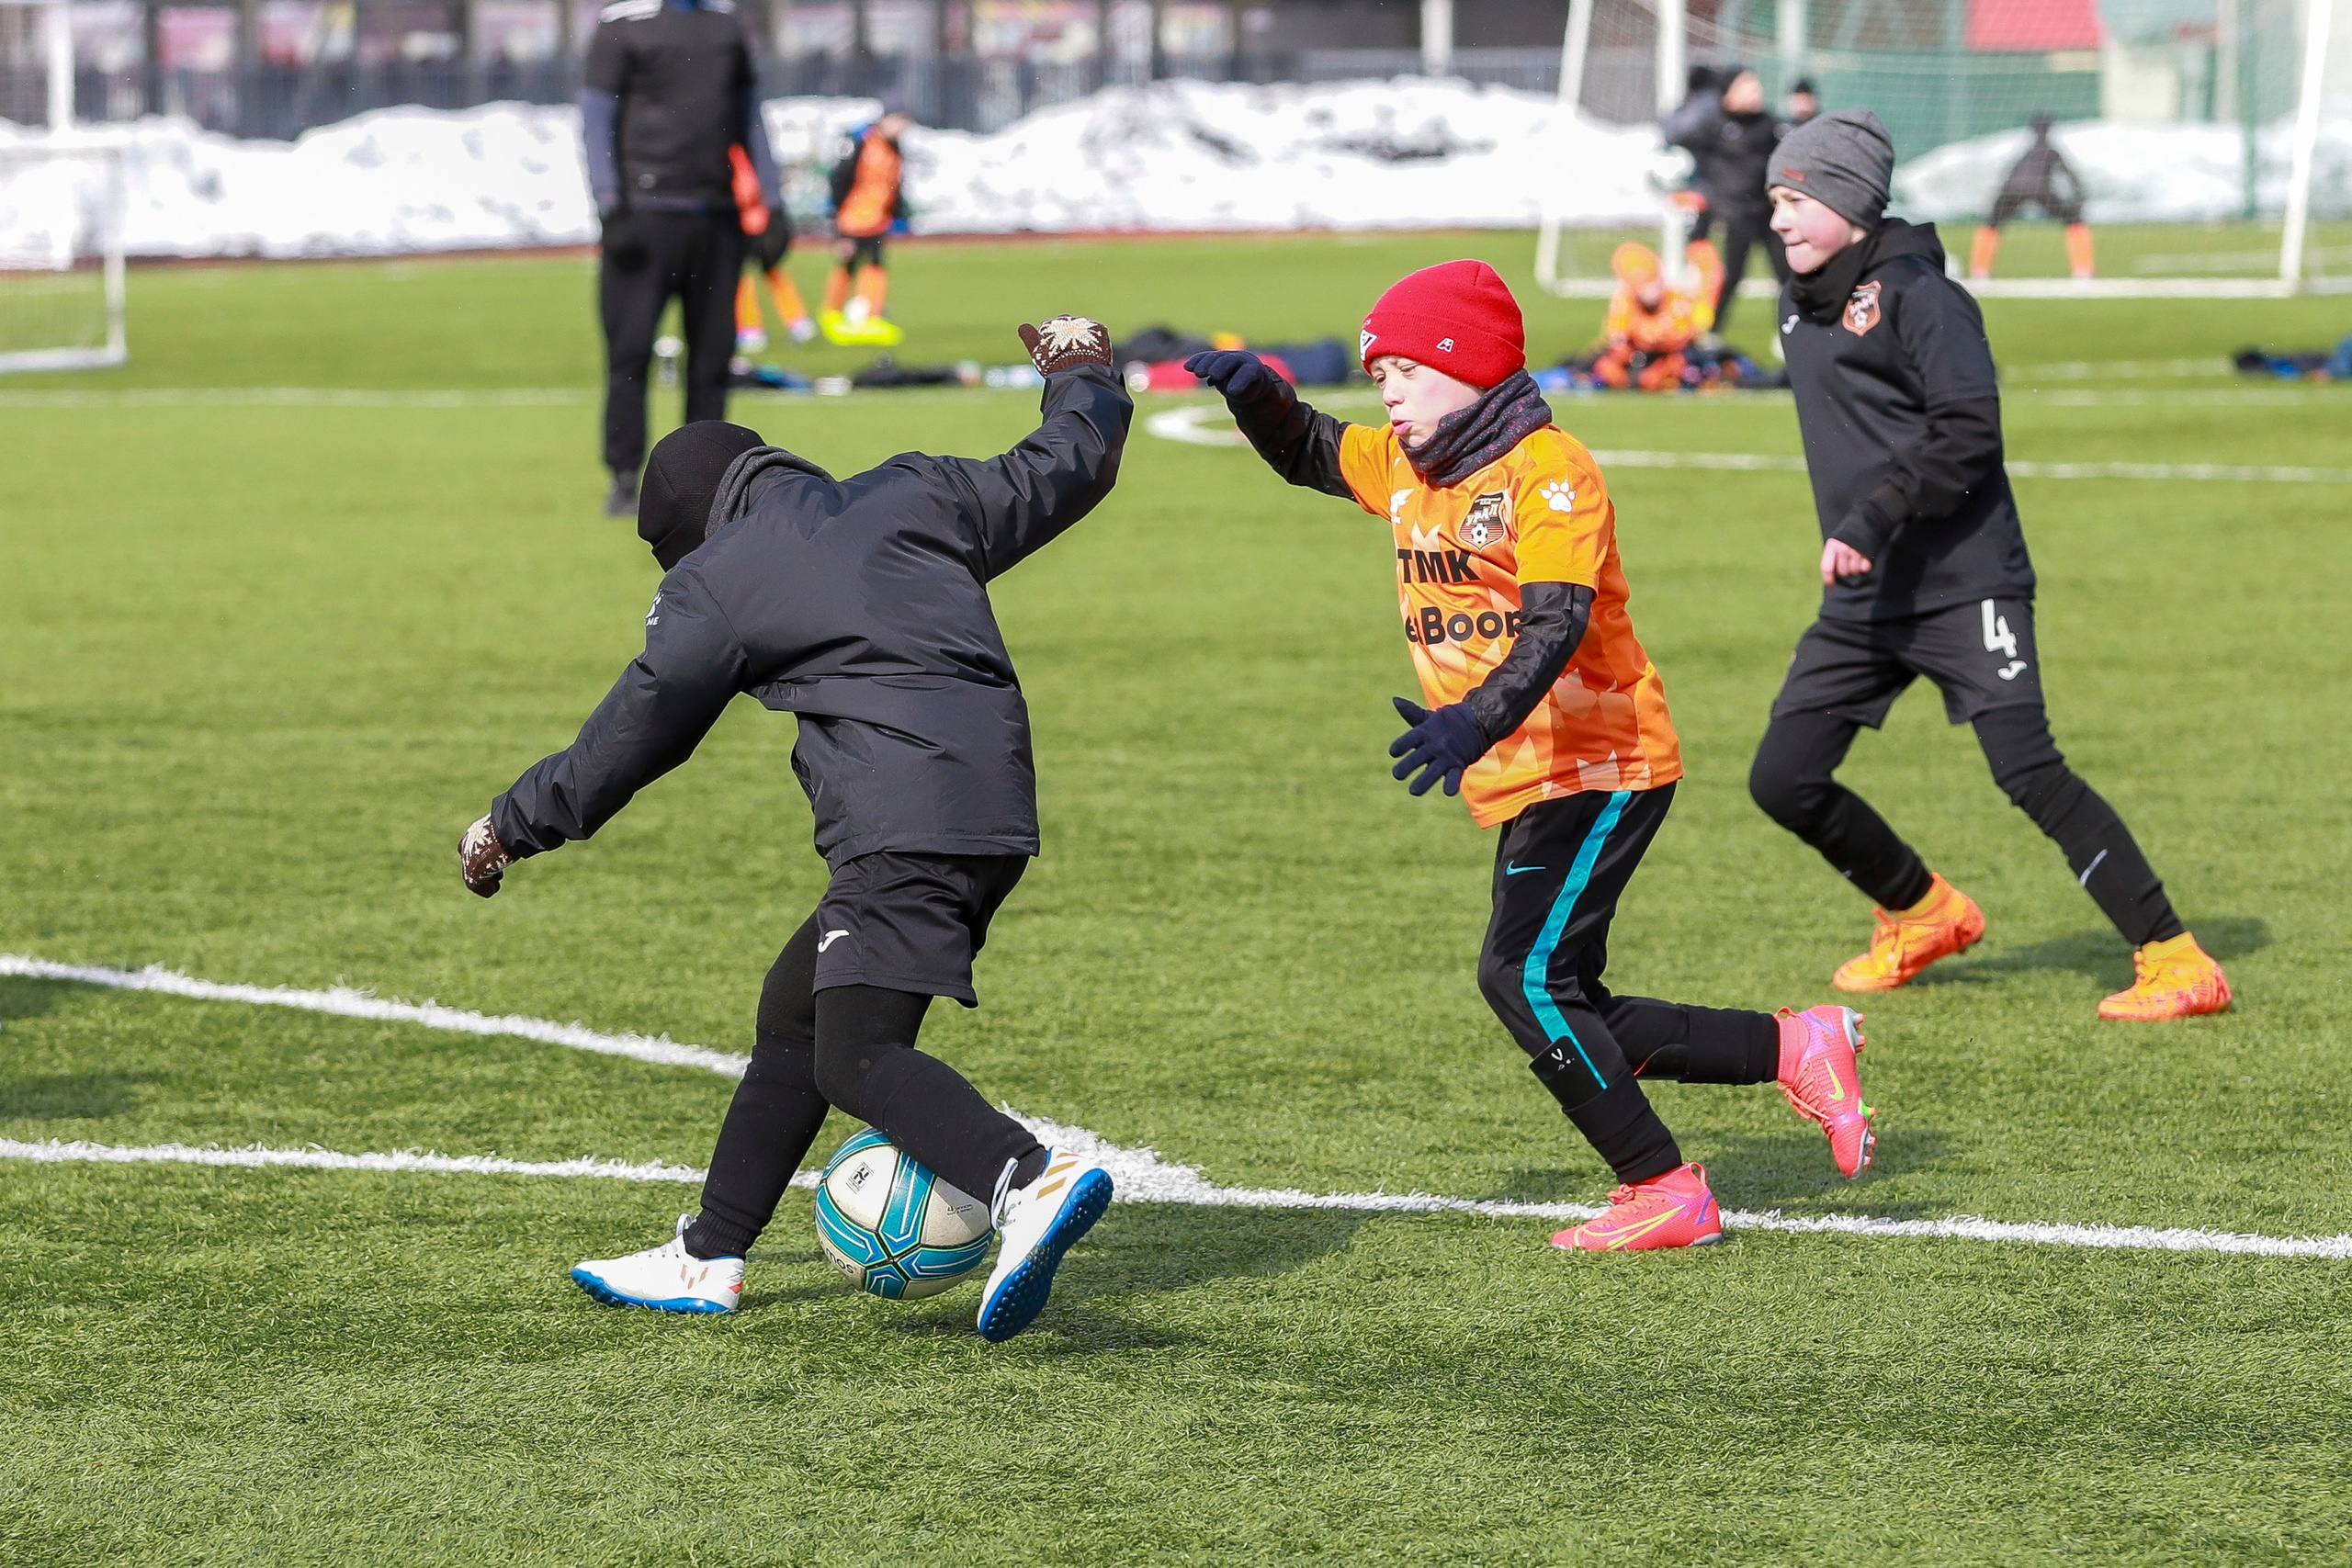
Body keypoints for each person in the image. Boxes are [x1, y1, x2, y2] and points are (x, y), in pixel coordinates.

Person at [457, 315, 1134, 1339]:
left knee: (851, 1054)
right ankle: (708, 1254)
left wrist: (510, 824)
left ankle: (1024, 1180)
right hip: (991, 806)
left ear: (689, 529)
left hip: (899, 823)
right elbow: (1066, 464)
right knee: (799, 1013)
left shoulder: (719, 576)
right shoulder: (914, 491)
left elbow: (635, 732)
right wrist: (1082, 372)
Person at [1183, 262, 1881, 1254]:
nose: (1384, 391)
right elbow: (1310, 451)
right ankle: (1792, 1044)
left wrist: (1473, 719)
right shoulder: (1411, 464)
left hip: (1601, 759)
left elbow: (1556, 622)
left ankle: (1664, 1189)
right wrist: (1260, 399)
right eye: (1376, 374)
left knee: (1520, 978)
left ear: (1465, 367)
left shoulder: (1548, 471)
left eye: (1403, 372)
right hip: (1532, 768)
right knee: (1570, 997)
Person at [1754, 110, 2229, 1020]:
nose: (1777, 219)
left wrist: (1873, 515)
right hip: (1867, 589)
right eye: (1773, 198)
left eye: (1796, 199)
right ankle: (1924, 912)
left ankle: (2175, 960)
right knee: (1783, 777)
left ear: (1849, 201)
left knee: (2026, 770)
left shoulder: (1921, 298)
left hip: (1962, 579)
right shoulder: (1798, 302)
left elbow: (1967, 429)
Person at [579, 0, 783, 518]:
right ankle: (625, 479)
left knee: (712, 361)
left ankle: (710, 485)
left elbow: (749, 118)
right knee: (629, 355)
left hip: (716, 217)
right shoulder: (621, 26)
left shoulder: (726, 26)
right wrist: (610, 206)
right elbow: (597, 119)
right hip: (644, 218)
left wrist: (772, 203)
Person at [1669, 67, 1790, 332]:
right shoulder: (1712, 123)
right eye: (1747, 85)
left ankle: (1790, 331)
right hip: (1734, 216)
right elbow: (1676, 144)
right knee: (1729, 278)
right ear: (1728, 93)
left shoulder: (1769, 124)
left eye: (1756, 85)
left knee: (1788, 276)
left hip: (1769, 214)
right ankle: (1710, 334)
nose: (1756, 91)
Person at [1969, 113, 2093, 280]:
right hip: (2041, 190)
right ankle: (2083, 271)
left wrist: (1998, 199)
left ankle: (1980, 271)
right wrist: (2080, 195)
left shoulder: (2024, 152)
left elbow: (2008, 175)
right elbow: (2069, 175)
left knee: (1991, 223)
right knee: (2074, 220)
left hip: (2012, 190)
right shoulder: (2051, 151)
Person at [823, 110, 912, 343]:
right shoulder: (861, 141)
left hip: (878, 220)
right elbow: (840, 178)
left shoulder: (894, 147)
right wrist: (836, 216)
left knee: (875, 265)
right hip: (852, 219)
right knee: (847, 264)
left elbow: (895, 183)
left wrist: (898, 214)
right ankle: (831, 313)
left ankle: (871, 315)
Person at [1594, 239, 1723, 390]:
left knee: (1669, 372)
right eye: (1645, 285)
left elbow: (1684, 338)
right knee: (1607, 368)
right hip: (1640, 356)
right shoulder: (1624, 302)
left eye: (1653, 282)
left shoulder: (1676, 300)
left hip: (1671, 356)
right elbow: (1617, 339)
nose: (1651, 291)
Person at [729, 144, 815, 351]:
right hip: (761, 217)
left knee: (745, 276)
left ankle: (752, 329)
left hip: (752, 221)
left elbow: (745, 188)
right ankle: (797, 322)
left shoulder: (737, 149)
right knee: (766, 273)